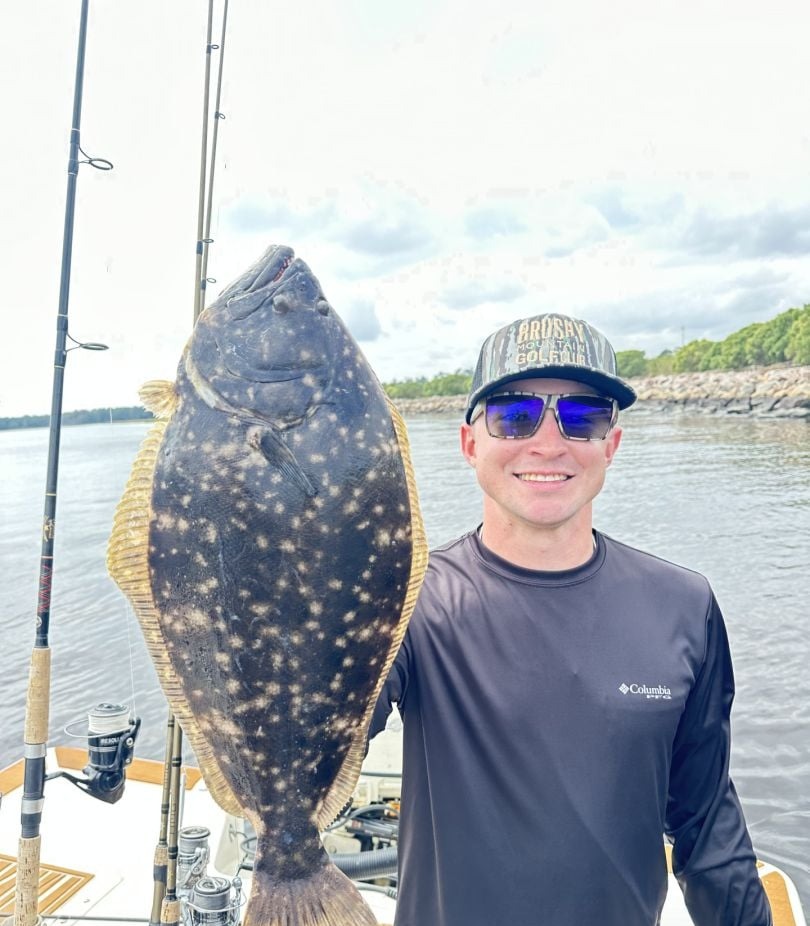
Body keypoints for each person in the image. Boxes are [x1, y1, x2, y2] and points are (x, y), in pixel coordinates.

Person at [369, 312, 772, 925]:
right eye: (514, 414)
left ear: (611, 443)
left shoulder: (684, 604)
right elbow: (315, 736)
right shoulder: (409, 600)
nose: (549, 442)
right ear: (470, 444)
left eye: (583, 416)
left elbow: (707, 822)